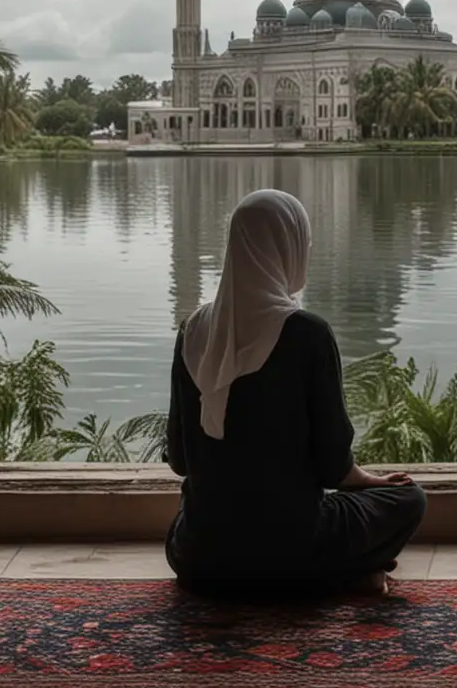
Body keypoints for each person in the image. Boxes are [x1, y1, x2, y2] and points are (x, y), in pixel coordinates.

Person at [165, 188, 425, 598]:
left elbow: (180, 461)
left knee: (199, 514)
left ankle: (340, 569)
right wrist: (376, 483)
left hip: (198, 558)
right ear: (291, 246)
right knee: (409, 498)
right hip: (294, 549)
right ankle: (348, 571)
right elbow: (333, 468)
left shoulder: (192, 332)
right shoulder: (308, 335)